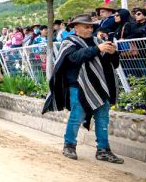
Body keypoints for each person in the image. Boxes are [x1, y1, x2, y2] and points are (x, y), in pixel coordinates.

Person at [43, 14, 124, 164]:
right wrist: (97, 49)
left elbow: (112, 64)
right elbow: (74, 58)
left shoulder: (97, 41)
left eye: (91, 26)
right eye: (86, 26)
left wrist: (113, 54)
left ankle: (103, 150)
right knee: (77, 117)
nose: (90, 29)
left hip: (100, 86)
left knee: (102, 118)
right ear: (76, 27)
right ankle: (69, 145)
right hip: (77, 86)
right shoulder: (69, 41)